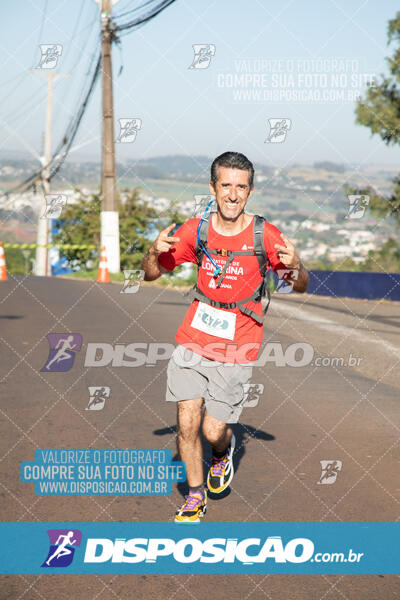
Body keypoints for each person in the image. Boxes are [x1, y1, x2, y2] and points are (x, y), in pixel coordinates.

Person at [141, 151, 309, 523]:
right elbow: (152, 274)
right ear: (213, 188)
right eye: (226, 185)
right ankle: (195, 495)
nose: (233, 195)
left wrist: (296, 267)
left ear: (250, 192)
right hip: (193, 336)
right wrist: (153, 253)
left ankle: (222, 451)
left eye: (241, 187)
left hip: (239, 343)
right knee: (186, 421)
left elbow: (299, 285)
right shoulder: (195, 230)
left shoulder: (265, 234)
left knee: (212, 428)